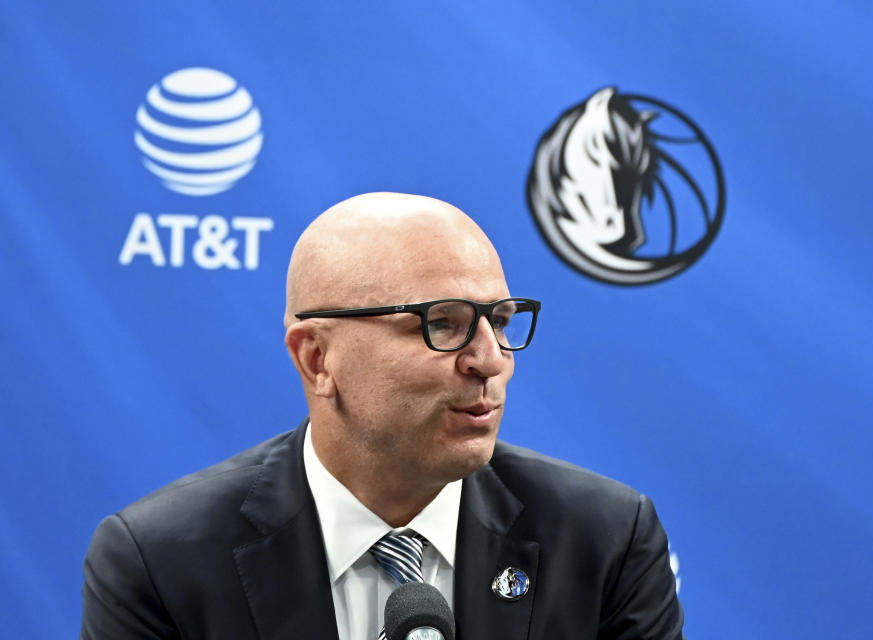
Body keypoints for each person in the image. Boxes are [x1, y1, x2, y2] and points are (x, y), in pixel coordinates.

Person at [81, 192, 684, 639]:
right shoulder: (160, 562)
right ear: (317, 359)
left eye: (498, 321)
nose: (489, 360)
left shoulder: (604, 539)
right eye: (442, 323)